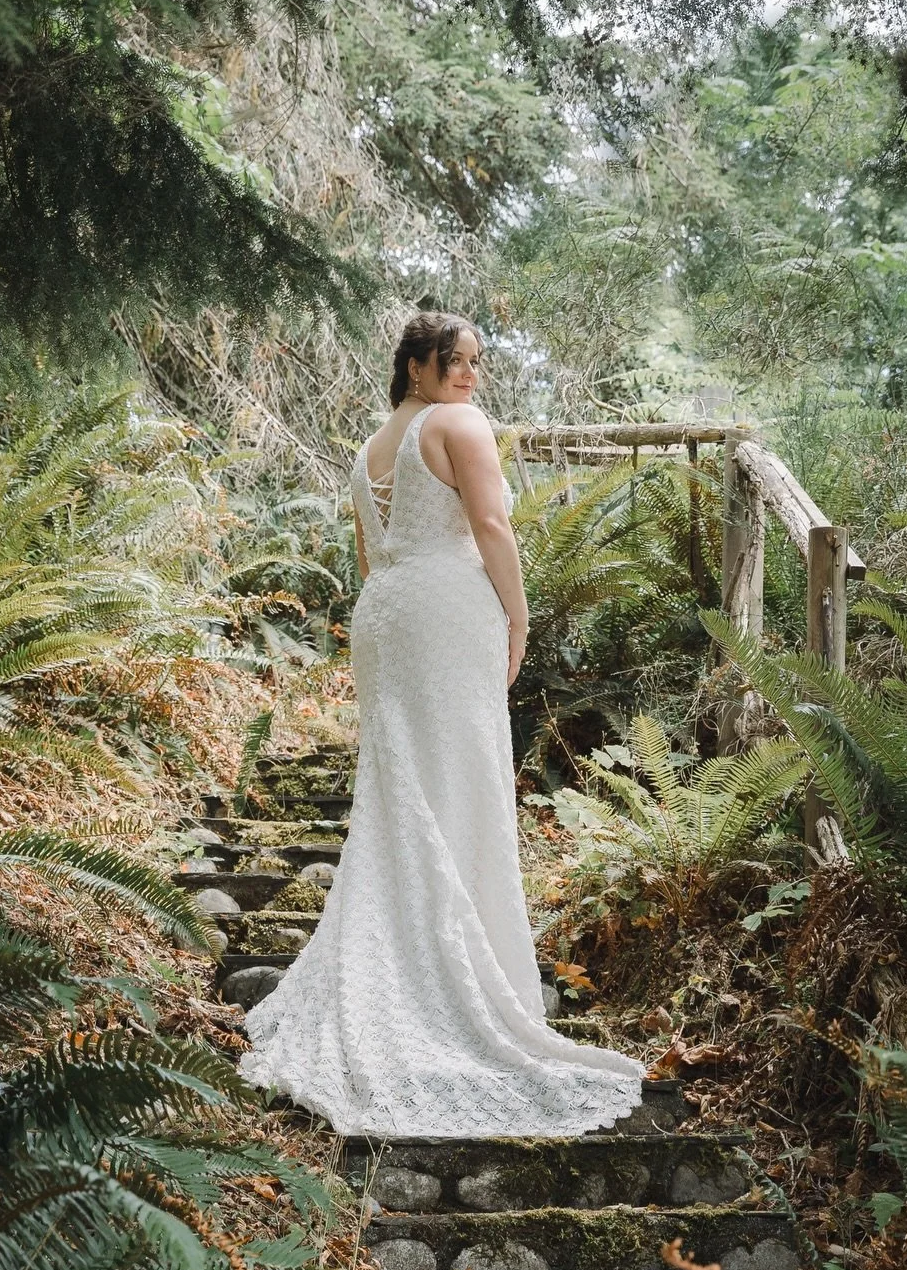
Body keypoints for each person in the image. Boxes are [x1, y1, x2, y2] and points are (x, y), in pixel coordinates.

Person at [238, 311, 645, 1137]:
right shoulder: (457, 424)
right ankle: (453, 978)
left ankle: (398, 959)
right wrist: (519, 618)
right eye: (457, 362)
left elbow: (366, 554)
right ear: (418, 367)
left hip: (386, 613)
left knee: (403, 788)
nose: (471, 377)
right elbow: (492, 526)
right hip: (447, 608)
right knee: (461, 777)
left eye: (475, 364)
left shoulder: (368, 449)